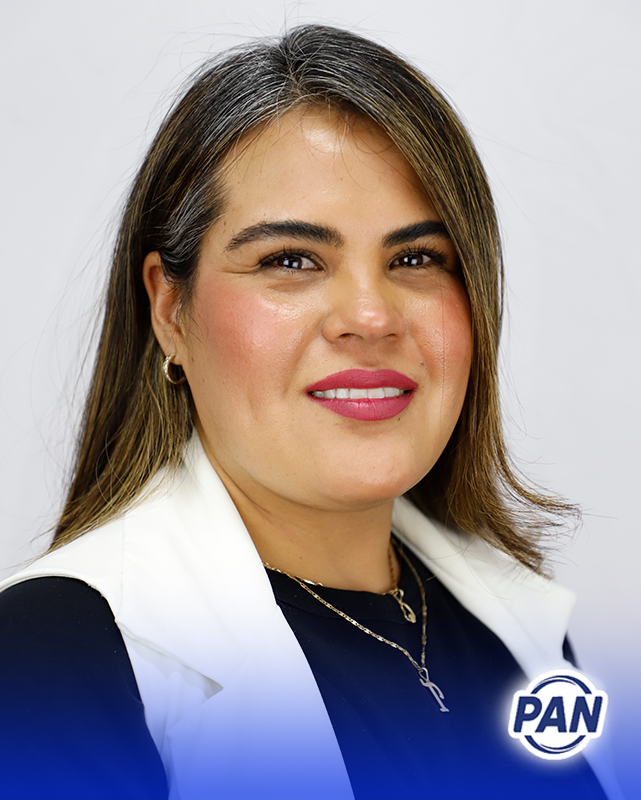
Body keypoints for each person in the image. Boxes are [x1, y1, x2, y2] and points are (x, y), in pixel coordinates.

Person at [0, 24, 612, 800]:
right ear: (169, 310)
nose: (370, 317)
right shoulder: (53, 660)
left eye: (416, 258)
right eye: (290, 259)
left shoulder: (514, 625)